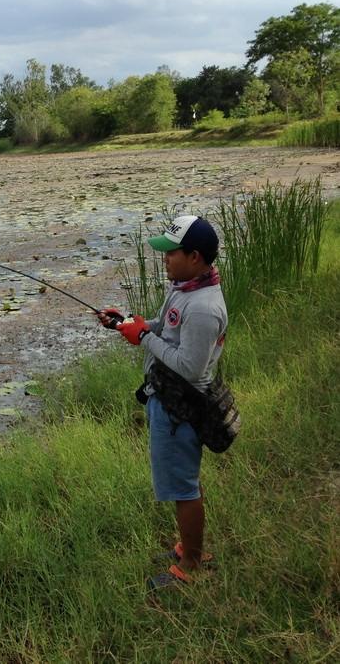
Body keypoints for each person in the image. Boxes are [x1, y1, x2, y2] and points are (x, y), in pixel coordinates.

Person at [98, 215, 227, 589]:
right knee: (184, 479)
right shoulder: (185, 287)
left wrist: (143, 339)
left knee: (183, 486)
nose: (165, 259)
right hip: (166, 397)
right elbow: (166, 326)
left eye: (172, 253)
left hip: (180, 407)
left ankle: (190, 564)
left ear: (196, 256)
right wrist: (127, 323)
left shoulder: (203, 306)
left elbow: (189, 366)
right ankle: (191, 547)